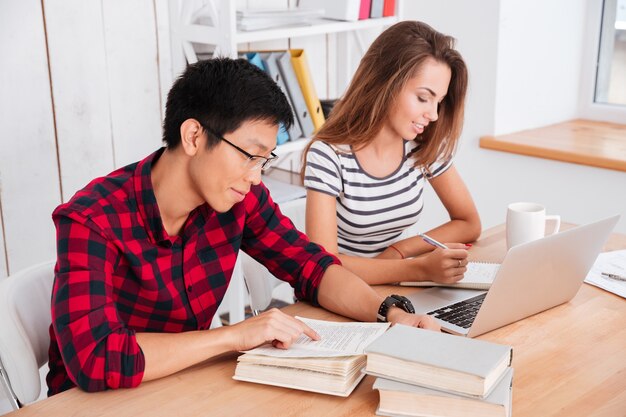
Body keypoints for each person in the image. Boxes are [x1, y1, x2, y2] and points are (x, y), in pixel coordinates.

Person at [46, 58, 439, 395]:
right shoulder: (92, 220)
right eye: (250, 156)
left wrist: (390, 312)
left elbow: (311, 266)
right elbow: (96, 358)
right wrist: (235, 335)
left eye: (263, 161)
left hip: (185, 387)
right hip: (93, 403)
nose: (255, 177)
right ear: (194, 136)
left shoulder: (239, 198)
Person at [302, 21, 481, 286]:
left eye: (439, 102)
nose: (432, 115)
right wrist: (418, 270)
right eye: (423, 98)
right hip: (337, 295)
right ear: (386, 83)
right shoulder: (329, 155)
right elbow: (324, 264)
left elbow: (469, 223)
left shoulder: (424, 147)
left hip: (392, 288)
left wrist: (401, 250)